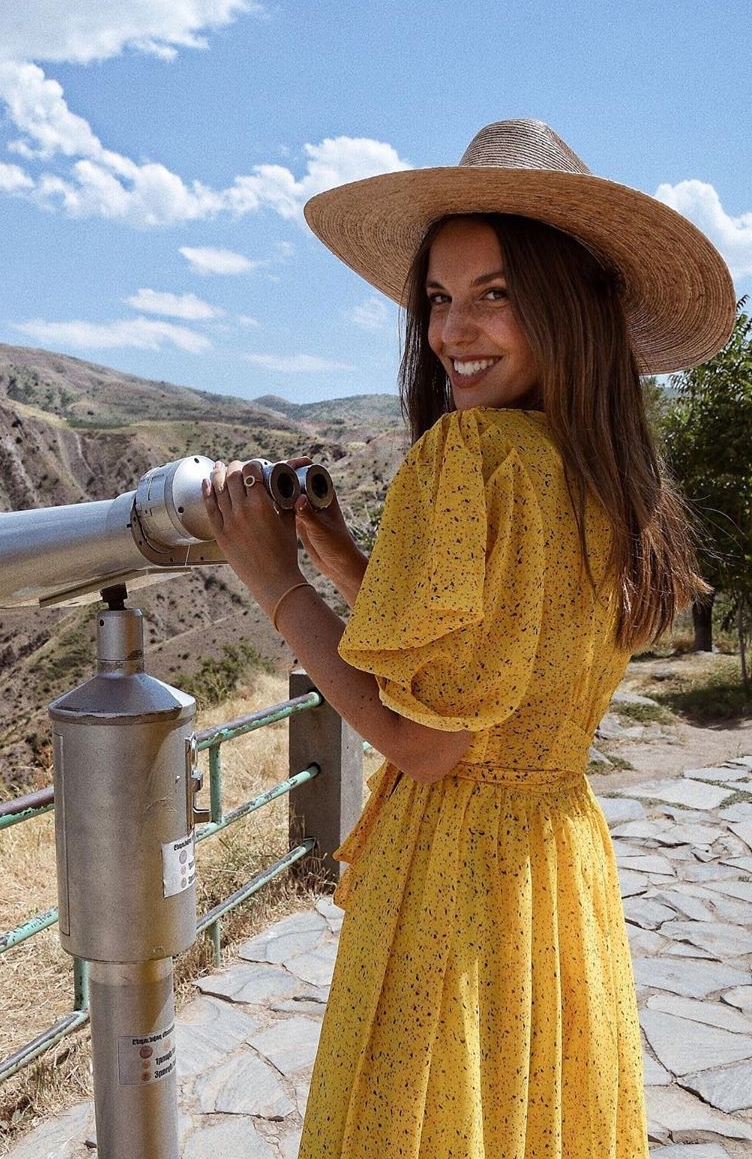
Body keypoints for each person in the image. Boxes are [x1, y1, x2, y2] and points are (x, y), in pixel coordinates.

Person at [201, 119, 736, 1159]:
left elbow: (427, 743)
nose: (455, 331)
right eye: (439, 300)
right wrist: (353, 566)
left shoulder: (472, 454)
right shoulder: (601, 475)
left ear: (569, 303)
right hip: (555, 871)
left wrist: (276, 584)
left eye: (495, 293)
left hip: (453, 880)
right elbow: (499, 656)